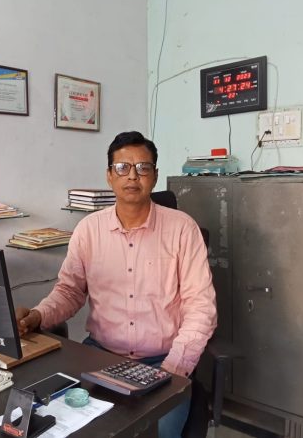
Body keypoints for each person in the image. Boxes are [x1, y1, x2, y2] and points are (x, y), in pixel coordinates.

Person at [16, 131, 217, 437]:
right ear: (109, 176)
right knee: (65, 426)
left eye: (143, 167)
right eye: (122, 167)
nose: (132, 176)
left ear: (155, 175)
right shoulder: (88, 230)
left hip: (162, 360)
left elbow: (201, 308)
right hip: (99, 357)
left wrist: (171, 371)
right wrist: (38, 316)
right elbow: (69, 291)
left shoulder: (182, 229)